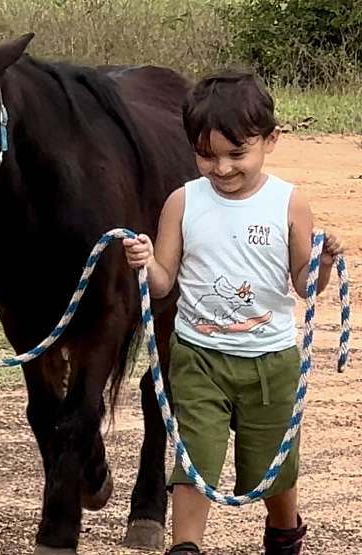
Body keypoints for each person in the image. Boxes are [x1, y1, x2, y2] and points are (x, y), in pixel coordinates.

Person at [123, 70, 344, 554]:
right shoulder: (182, 202)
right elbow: (164, 281)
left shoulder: (289, 203)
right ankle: (184, 546)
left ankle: (284, 534)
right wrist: (145, 263)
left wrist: (322, 264)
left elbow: (305, 285)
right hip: (198, 357)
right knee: (193, 461)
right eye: (206, 155)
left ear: (270, 140)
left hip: (271, 361)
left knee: (271, 469)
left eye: (235, 153)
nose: (220, 168)